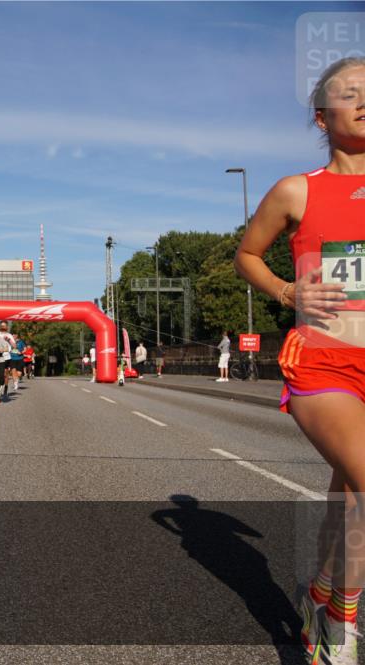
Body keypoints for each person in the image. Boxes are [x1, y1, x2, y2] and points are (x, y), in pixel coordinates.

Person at [234, 56, 365, 665]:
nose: (364, 99)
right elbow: (247, 256)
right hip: (324, 362)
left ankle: (321, 597)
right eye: (350, 92)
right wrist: (288, 292)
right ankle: (341, 631)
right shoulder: (297, 190)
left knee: (352, 498)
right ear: (322, 115)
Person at [0, 321, 18, 395]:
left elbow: (15, 346)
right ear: (0, 326)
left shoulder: (9, 335)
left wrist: (9, 340)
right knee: (0, 374)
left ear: (7, 327)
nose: (3, 327)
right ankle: (0, 386)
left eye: (4, 326)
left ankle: (5, 387)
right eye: (2, 326)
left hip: (7, 356)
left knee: (5, 374)